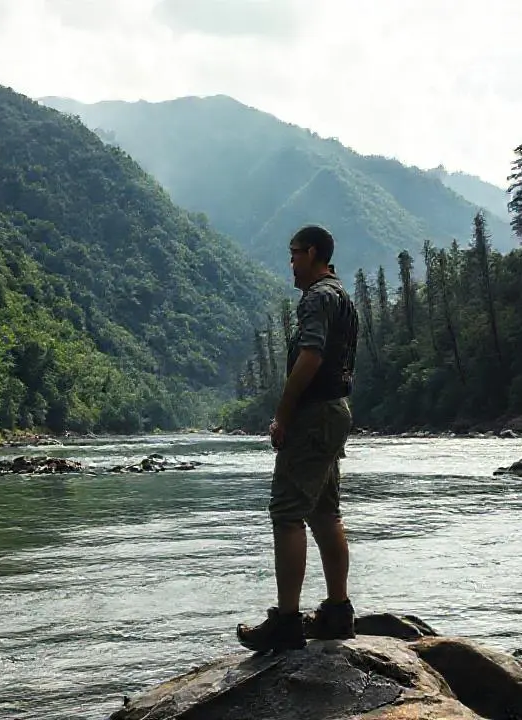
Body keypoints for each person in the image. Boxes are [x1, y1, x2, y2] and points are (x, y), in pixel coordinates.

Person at [236, 224, 359, 653]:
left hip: (312, 415)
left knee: (287, 513)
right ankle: (337, 614)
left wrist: (282, 416)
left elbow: (310, 357)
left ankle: (287, 622)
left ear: (311, 253)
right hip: (335, 412)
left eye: (293, 255)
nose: (289, 263)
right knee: (325, 512)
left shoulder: (316, 298)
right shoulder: (342, 296)